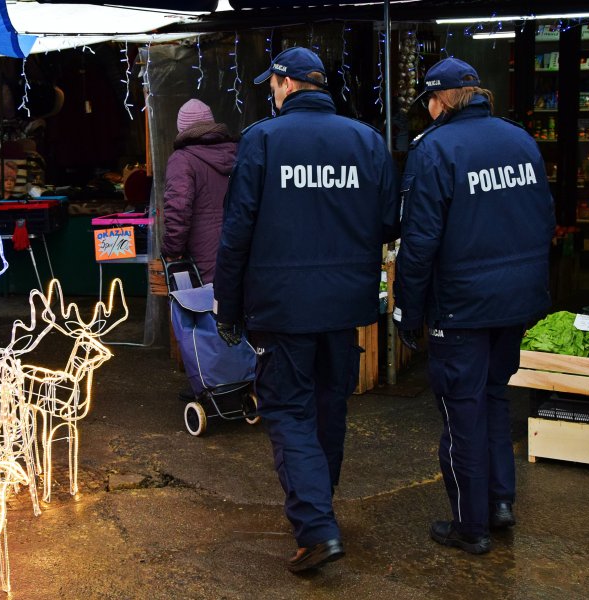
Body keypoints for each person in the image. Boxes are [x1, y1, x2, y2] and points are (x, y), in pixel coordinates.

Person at [213, 47, 399, 573]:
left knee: (288, 410)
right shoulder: (366, 140)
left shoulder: (262, 139)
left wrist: (227, 304)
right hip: (344, 303)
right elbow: (389, 222)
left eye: (271, 86)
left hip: (282, 306)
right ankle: (321, 509)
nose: (270, 94)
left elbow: (237, 231)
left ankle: (317, 527)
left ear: (286, 84)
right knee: (328, 405)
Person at [394, 57, 554, 555]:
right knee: (493, 398)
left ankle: (471, 525)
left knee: (462, 412)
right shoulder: (520, 140)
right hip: (516, 303)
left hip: (461, 307)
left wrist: (407, 312)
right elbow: (543, 218)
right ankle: (500, 503)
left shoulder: (434, 150)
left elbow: (418, 244)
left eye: (430, 103)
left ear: (440, 101)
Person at [162, 98, 238, 283]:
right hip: (238, 254)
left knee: (205, 309)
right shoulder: (238, 152)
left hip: (201, 261)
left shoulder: (182, 160)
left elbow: (178, 210)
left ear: (182, 129)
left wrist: (172, 251)